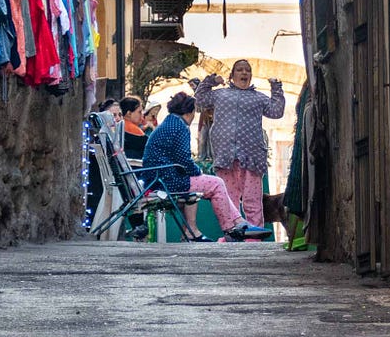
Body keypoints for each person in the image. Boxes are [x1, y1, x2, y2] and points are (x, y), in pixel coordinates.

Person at [141, 92, 272, 242]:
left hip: (158, 178)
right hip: (166, 181)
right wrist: (198, 171)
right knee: (216, 183)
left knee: (208, 183)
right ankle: (232, 228)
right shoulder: (180, 127)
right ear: (190, 112)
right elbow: (184, 159)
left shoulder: (169, 123)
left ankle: (239, 223)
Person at [194, 59, 284, 228]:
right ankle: (232, 233)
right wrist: (211, 81)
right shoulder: (220, 94)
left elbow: (276, 111)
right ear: (232, 75)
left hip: (252, 156)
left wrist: (276, 88)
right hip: (225, 155)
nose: (244, 73)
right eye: (240, 70)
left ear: (250, 75)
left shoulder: (258, 98)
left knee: (252, 199)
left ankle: (254, 236)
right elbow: (200, 100)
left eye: (247, 70)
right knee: (228, 199)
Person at [119, 96, 149, 161]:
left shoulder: (120, 127)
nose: (142, 115)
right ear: (129, 113)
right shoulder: (134, 130)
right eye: (139, 112)